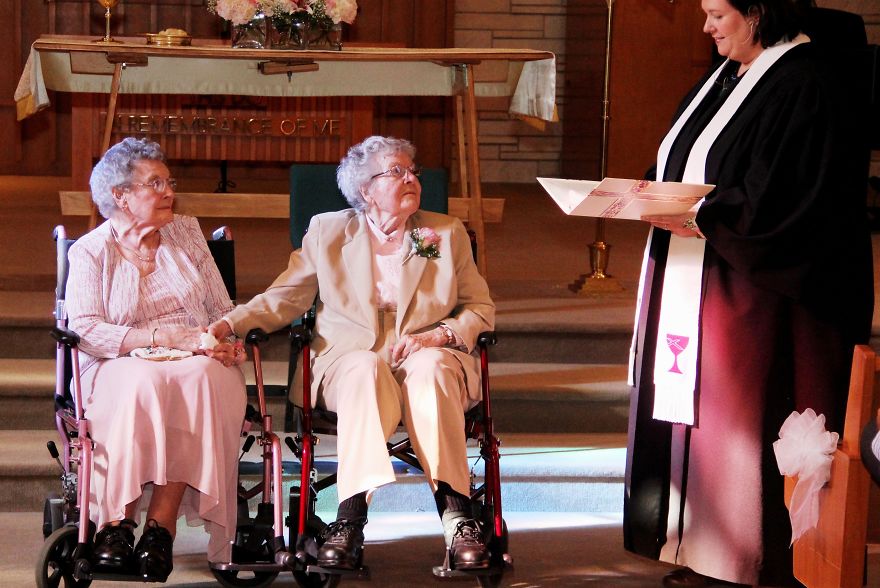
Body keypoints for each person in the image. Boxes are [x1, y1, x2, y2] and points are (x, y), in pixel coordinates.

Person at [623, 1, 874, 586]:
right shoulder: (728, 74)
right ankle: (697, 551)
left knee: (737, 425)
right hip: (703, 273)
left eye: (717, 13)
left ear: (759, 10)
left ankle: (750, 563)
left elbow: (788, 198)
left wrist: (702, 216)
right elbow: (689, 158)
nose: (707, 27)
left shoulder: (807, 81)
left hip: (759, 292)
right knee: (695, 417)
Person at [209, 135, 496, 571]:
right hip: (346, 357)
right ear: (366, 190)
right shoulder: (329, 230)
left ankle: (457, 515)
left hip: (424, 346)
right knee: (364, 368)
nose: (410, 178)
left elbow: (479, 308)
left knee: (433, 370)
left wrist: (440, 335)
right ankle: (351, 517)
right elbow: (286, 297)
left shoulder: (441, 232)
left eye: (411, 170)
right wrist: (232, 323)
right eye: (395, 171)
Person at [65, 137, 247, 580]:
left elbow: (223, 311)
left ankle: (159, 530)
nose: (168, 191)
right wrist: (162, 337)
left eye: (169, 182)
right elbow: (85, 328)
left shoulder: (186, 233)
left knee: (201, 378)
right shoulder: (90, 250)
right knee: (140, 382)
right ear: (120, 196)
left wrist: (224, 337)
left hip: (197, 358)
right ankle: (115, 525)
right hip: (116, 360)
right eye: (155, 183)